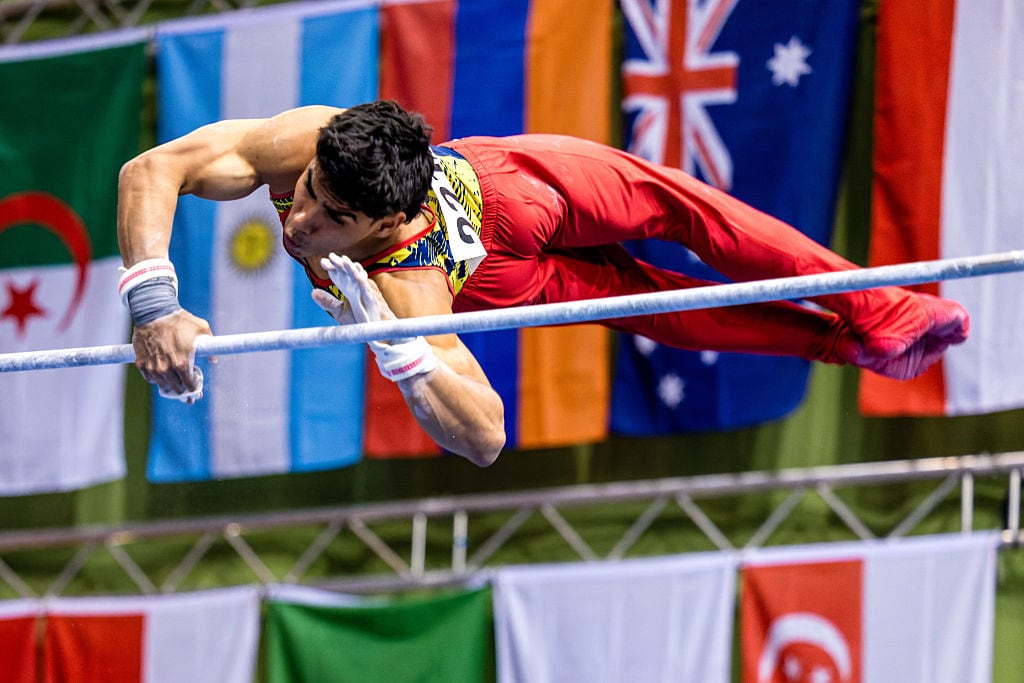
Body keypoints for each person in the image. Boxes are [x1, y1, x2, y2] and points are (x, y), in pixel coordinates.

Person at [116, 100, 969, 467]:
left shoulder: (407, 280)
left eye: (334, 218)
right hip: (499, 277)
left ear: (386, 225)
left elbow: (484, 434)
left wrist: (400, 350)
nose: (300, 222)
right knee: (660, 310)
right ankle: (848, 341)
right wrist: (153, 303)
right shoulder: (313, 143)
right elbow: (154, 168)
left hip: (516, 186)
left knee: (689, 211)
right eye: (307, 194)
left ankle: (879, 303)